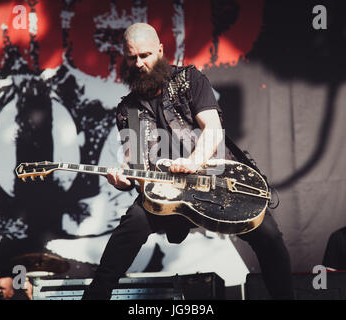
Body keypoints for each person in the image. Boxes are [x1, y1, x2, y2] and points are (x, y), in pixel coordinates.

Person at [82, 22, 294, 300]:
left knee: (269, 237)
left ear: (160, 50)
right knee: (131, 225)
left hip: (214, 179)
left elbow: (213, 129)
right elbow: (137, 169)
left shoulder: (189, 80)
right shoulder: (127, 110)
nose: (139, 63)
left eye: (145, 55)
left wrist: (194, 162)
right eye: (132, 57)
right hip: (168, 192)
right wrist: (122, 181)